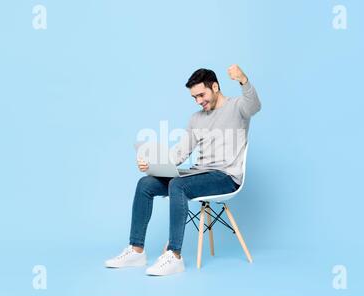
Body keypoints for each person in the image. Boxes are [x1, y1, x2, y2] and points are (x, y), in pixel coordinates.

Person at [105, 65, 261, 276]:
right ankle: (135, 250)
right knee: (145, 184)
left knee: (178, 185)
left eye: (201, 95)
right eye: (194, 97)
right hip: (198, 174)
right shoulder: (196, 118)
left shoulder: (237, 107)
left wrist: (243, 80)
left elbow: (254, 106)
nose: (198, 101)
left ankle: (174, 256)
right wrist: (153, 165)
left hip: (226, 176)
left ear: (215, 86)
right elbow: (180, 153)